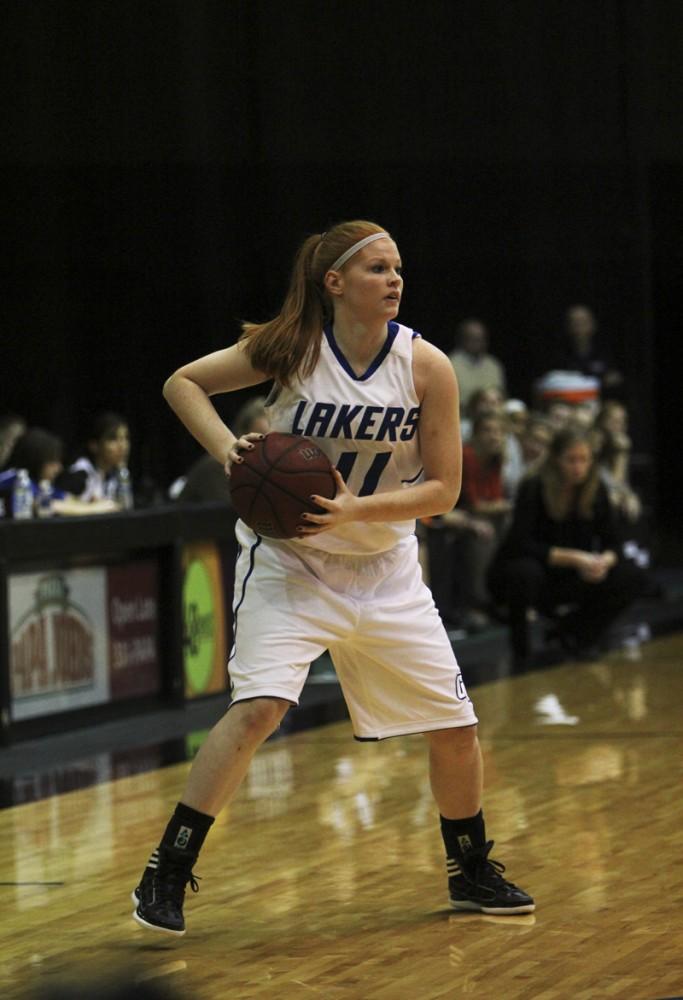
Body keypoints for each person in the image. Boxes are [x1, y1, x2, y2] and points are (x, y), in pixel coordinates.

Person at [132, 220, 534, 937]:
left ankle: (469, 869)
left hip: (384, 569)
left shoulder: (425, 366)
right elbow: (182, 383)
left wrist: (357, 508)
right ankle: (166, 870)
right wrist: (229, 451)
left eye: (398, 268)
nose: (394, 280)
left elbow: (443, 490)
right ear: (334, 283)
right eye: (378, 268)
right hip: (290, 562)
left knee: (455, 728)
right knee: (258, 709)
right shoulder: (290, 349)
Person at [487, 427, 647, 668]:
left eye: (584, 460)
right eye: (571, 460)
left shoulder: (596, 489)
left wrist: (603, 561)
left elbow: (615, 542)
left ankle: (575, 634)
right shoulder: (534, 487)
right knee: (524, 573)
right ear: (555, 459)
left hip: (576, 571)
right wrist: (577, 559)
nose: (578, 467)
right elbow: (520, 544)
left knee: (632, 575)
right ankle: (521, 651)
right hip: (536, 569)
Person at [172, 396, 270, 503]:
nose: (268, 447)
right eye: (261, 439)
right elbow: (232, 512)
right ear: (242, 434)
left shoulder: (265, 468)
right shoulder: (217, 466)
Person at [447, 318, 507, 416]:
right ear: (462, 339)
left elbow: (501, 395)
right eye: (472, 338)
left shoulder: (493, 365)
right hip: (462, 417)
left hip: (492, 417)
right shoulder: (451, 363)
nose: (477, 342)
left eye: (481, 338)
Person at [68, 411, 131, 502]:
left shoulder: (119, 473)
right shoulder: (81, 473)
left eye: (126, 438)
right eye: (113, 439)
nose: (123, 446)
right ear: (94, 445)